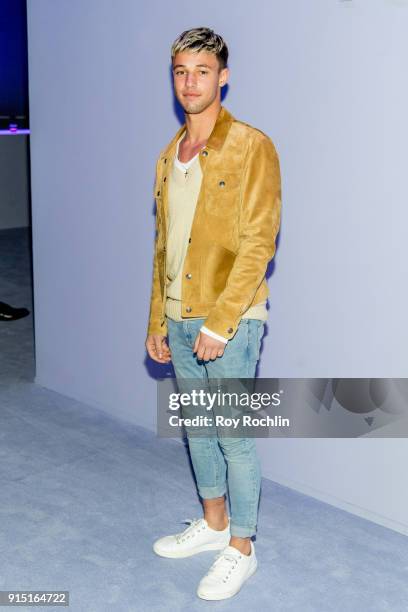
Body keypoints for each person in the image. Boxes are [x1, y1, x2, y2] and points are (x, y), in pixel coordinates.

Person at [145, 27, 281, 601]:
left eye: (201, 70)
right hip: (178, 318)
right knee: (198, 431)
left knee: (234, 437)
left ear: (222, 76)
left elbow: (259, 242)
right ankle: (214, 525)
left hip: (229, 323)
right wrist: (158, 319)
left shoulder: (252, 145)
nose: (190, 81)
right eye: (181, 71)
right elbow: (164, 245)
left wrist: (219, 323)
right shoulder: (168, 153)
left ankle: (242, 549)